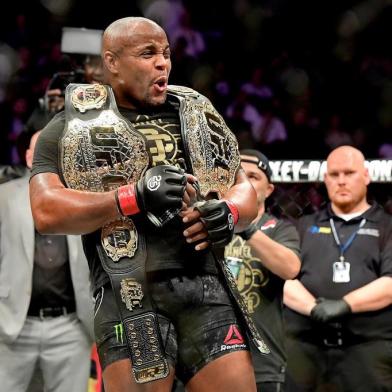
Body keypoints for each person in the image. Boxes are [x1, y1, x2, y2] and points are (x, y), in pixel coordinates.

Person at [29, 17, 263, 392]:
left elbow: (242, 186)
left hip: (204, 284)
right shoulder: (73, 124)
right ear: (112, 62)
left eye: (166, 53)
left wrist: (229, 211)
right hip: (128, 291)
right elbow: (46, 209)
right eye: (148, 53)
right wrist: (131, 197)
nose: (163, 63)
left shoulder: (194, 112)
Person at [283, 145, 392, 391]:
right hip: (306, 345)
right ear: (325, 179)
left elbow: (390, 283)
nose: (341, 181)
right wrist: (313, 308)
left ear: (366, 176)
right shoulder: (303, 225)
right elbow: (284, 277)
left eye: (349, 173)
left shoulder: (387, 227)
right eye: (334, 174)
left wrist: (344, 305)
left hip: (367, 348)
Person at [0, 130, 94, 392]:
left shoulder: (84, 198)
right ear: (29, 157)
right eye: (40, 151)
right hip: (12, 323)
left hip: (71, 326)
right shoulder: (3, 197)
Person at [224, 149, 301, 392]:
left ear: (269, 190)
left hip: (261, 361)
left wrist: (246, 228)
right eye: (238, 175)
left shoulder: (280, 230)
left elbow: (290, 268)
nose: (244, 182)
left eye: (254, 177)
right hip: (208, 355)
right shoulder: (206, 225)